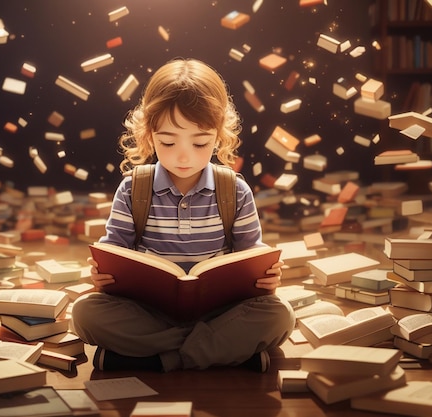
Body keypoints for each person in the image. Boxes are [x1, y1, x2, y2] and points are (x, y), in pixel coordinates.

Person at [71, 58, 295, 373]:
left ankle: (164, 358)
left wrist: (267, 275)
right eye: (167, 141)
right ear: (149, 134)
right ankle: (214, 351)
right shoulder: (133, 189)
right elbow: (114, 254)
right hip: (148, 312)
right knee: (84, 313)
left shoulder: (234, 190)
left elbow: (250, 256)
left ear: (219, 135)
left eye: (200, 142)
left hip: (219, 313)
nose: (184, 156)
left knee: (280, 315)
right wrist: (101, 274)